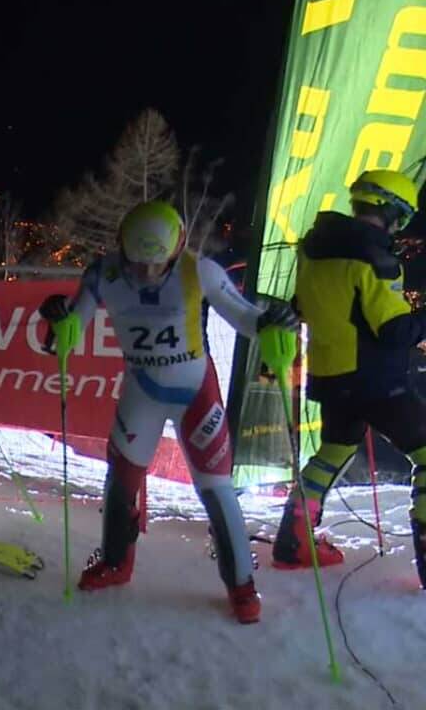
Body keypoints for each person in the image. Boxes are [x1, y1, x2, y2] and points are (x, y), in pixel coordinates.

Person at [39, 200, 300, 623]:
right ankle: (116, 562)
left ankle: (241, 585)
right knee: (121, 479)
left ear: (177, 250)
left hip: (195, 391)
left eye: (157, 264)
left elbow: (246, 319)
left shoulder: (200, 271)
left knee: (216, 487)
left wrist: (274, 320)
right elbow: (65, 336)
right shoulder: (104, 274)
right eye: (137, 263)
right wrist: (57, 319)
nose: (146, 273)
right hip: (141, 389)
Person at [269, 169, 424, 589]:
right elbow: (393, 330)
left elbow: (301, 306)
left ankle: (292, 544)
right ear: (392, 211)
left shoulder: (314, 249)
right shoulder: (376, 259)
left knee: (332, 453)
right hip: (377, 382)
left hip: (331, 377)